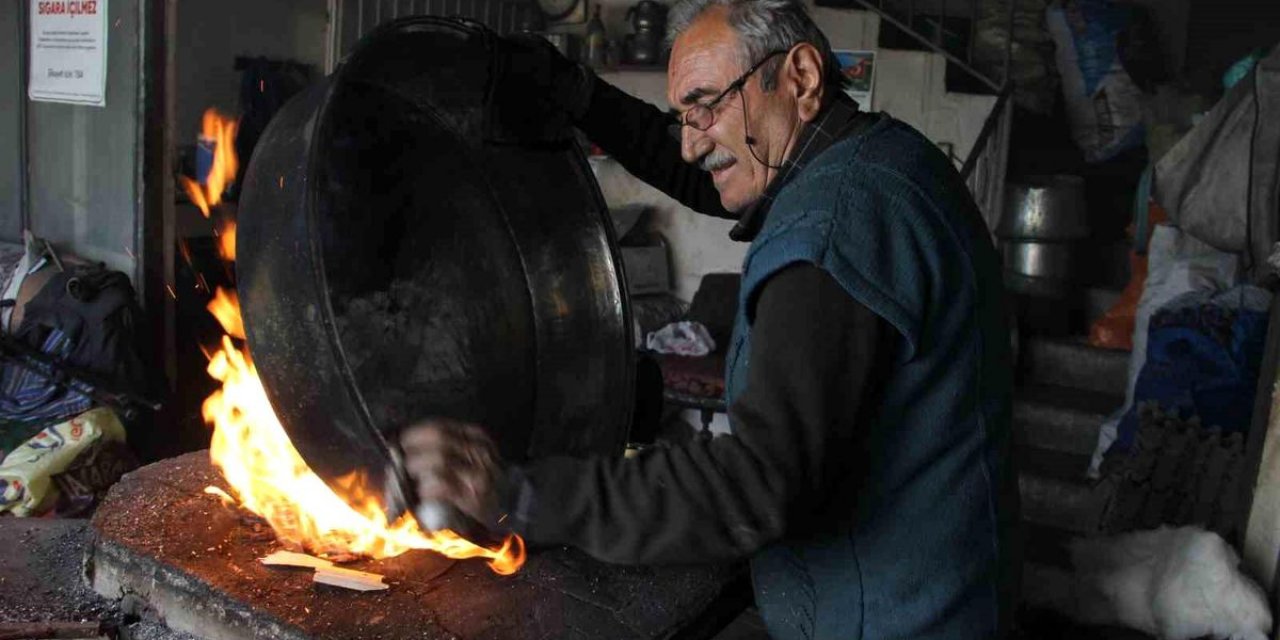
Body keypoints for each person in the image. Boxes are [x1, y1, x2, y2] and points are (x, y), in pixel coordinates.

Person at [401, 1, 1018, 637]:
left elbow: (758, 480)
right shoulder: (876, 160)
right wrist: (580, 95)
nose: (692, 144)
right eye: (682, 116)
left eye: (707, 104)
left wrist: (521, 495)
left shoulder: (834, 227)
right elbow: (711, 174)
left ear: (800, 78)